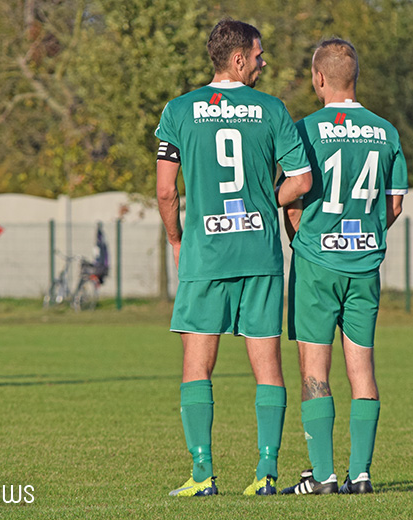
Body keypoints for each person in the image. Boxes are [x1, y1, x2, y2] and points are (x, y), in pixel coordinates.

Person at [155, 18, 312, 497]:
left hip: (205, 255)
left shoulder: (179, 110)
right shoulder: (272, 110)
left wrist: (177, 240)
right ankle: (266, 474)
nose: (264, 63)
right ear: (239, 59)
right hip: (260, 255)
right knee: (267, 368)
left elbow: (165, 192)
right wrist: (268, 201)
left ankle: (202, 474)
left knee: (197, 368)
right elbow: (302, 181)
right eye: (259, 56)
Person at [280, 38, 408, 495]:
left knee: (315, 368)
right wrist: (367, 237)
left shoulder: (305, 130)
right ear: (356, 77)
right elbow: (393, 205)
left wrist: (306, 239)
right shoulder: (386, 132)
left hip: (316, 264)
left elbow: (293, 199)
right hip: (364, 265)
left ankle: (323, 476)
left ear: (318, 79)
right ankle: (362, 474)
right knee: (363, 368)